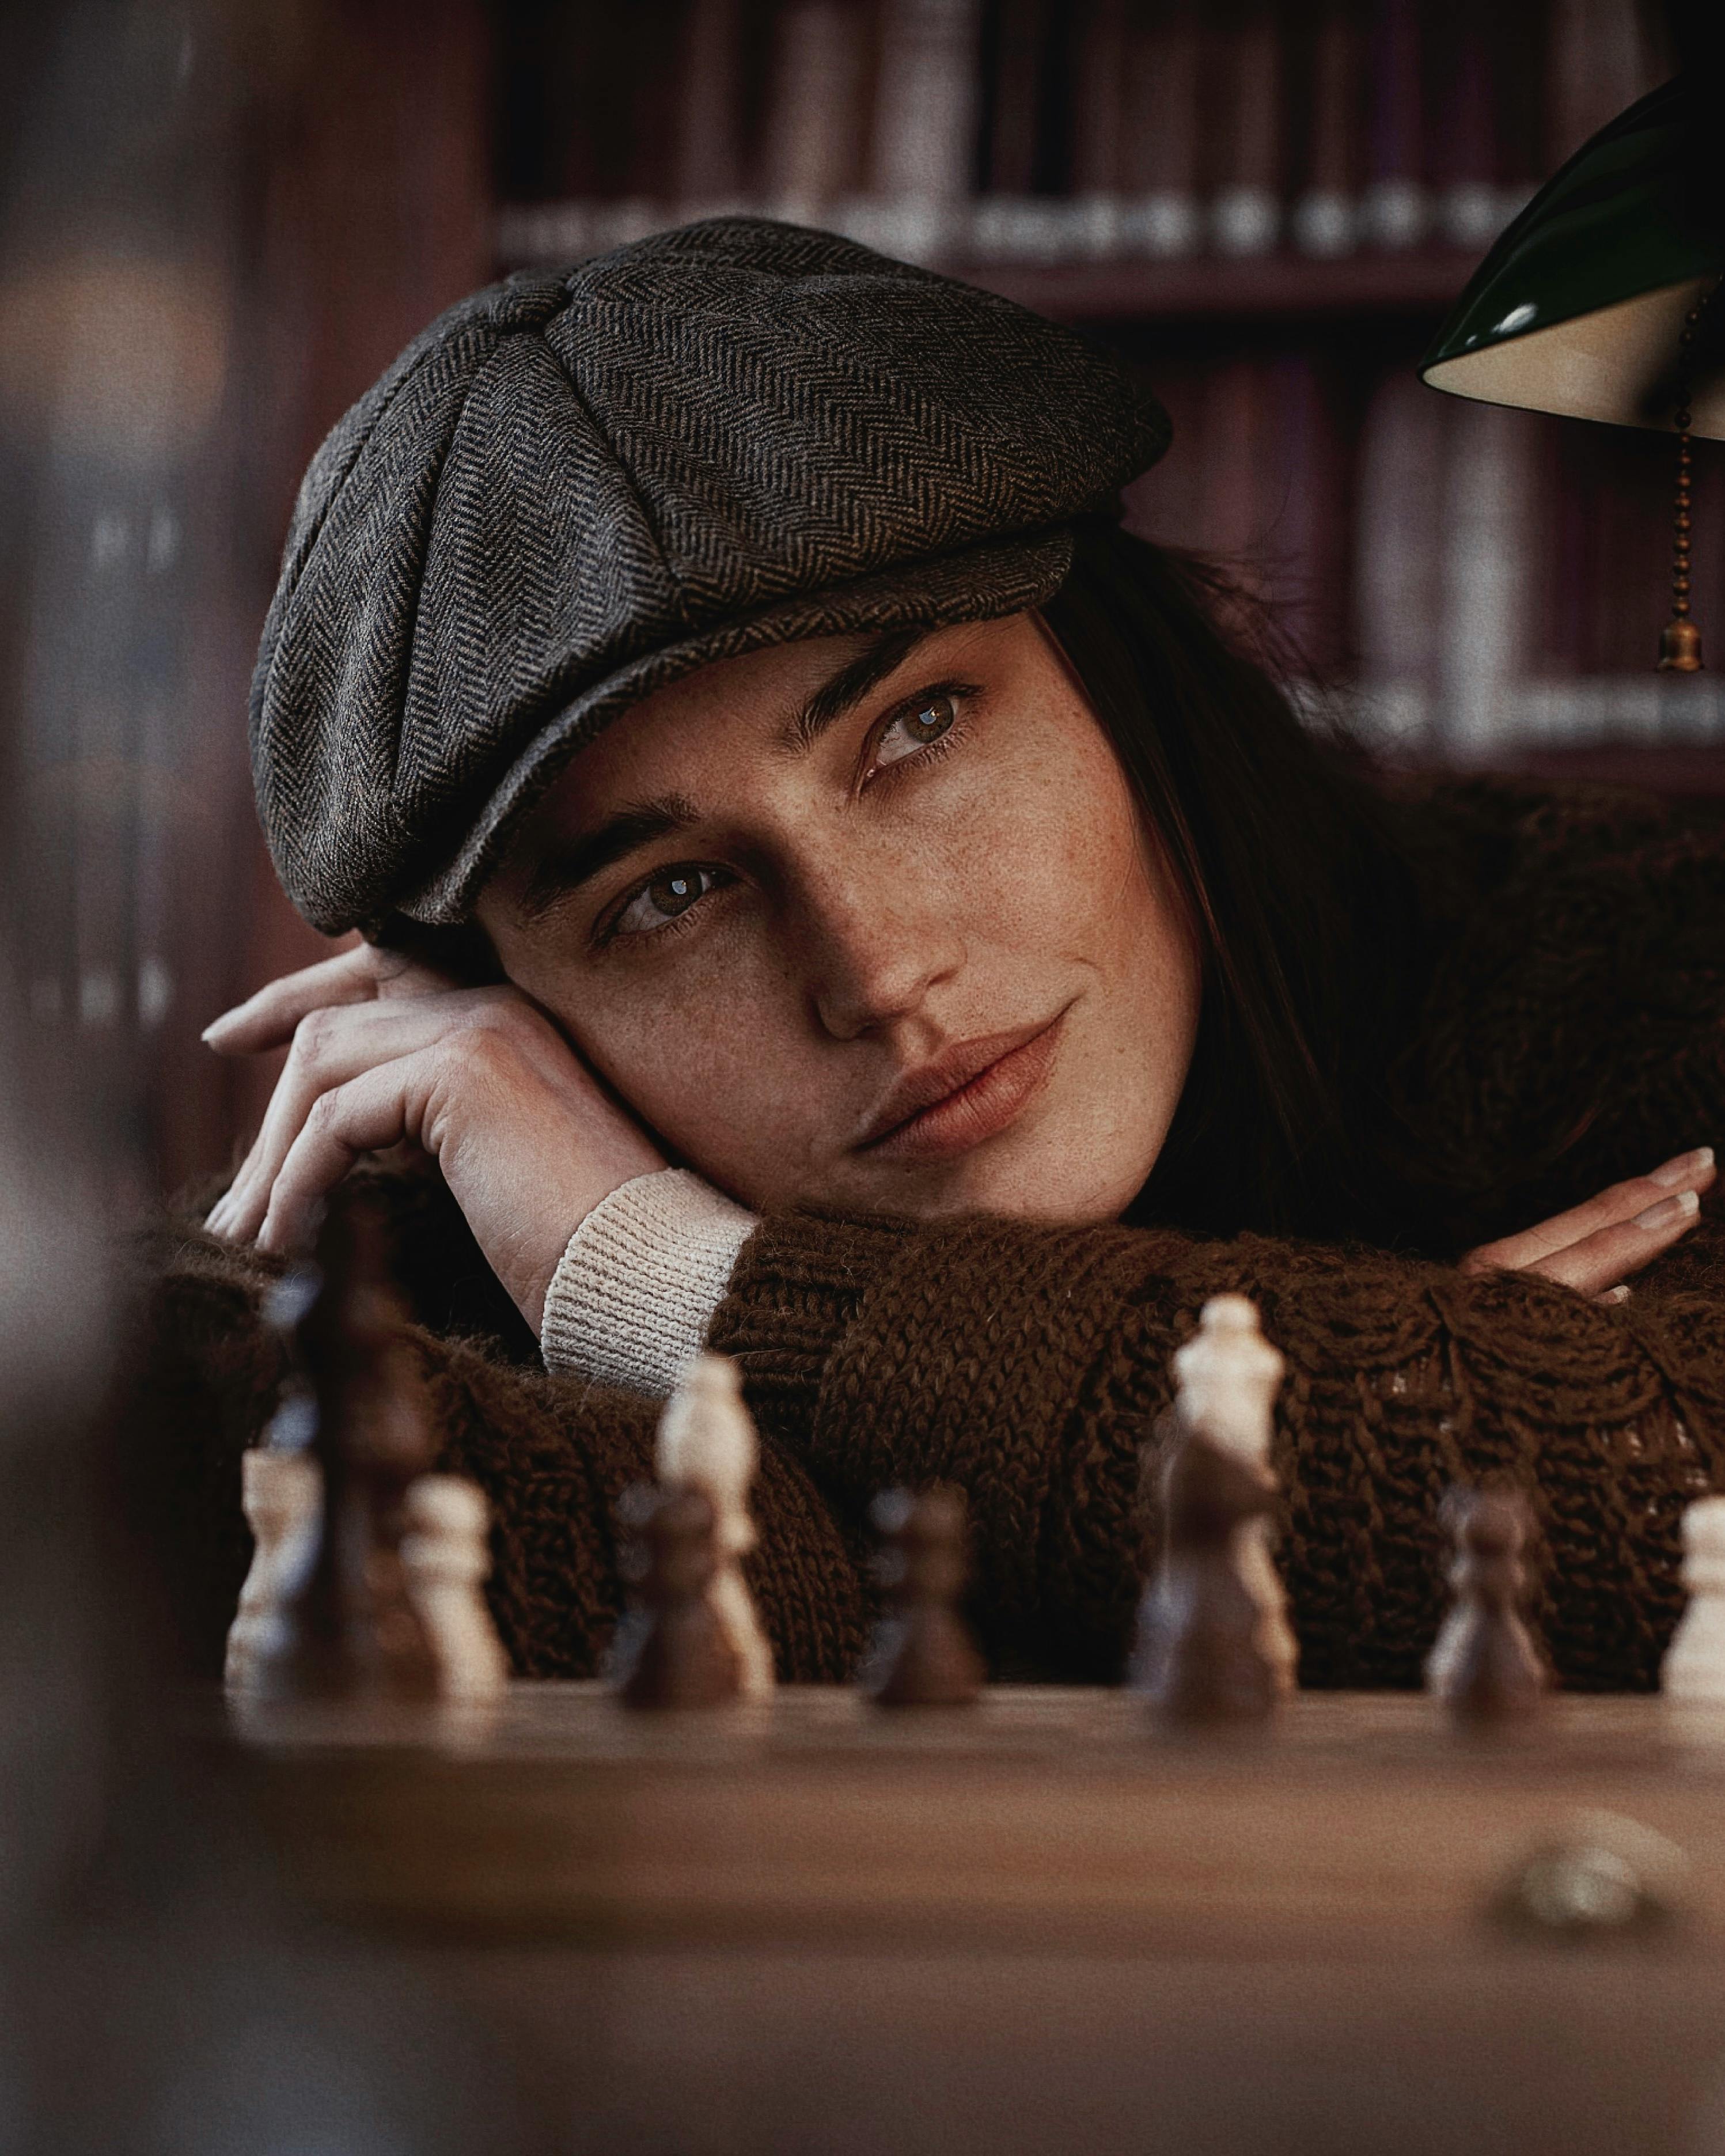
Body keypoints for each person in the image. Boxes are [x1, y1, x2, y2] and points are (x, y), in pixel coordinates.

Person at [137, 219, 1724, 1690]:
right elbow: (133, 1458)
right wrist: (1363, 1422)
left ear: (1127, 678)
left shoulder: (1632, 951)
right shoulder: (491, 1183)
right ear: (501, 1003)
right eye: (666, 894)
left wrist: (676, 1290)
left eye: (917, 729)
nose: (877, 970)